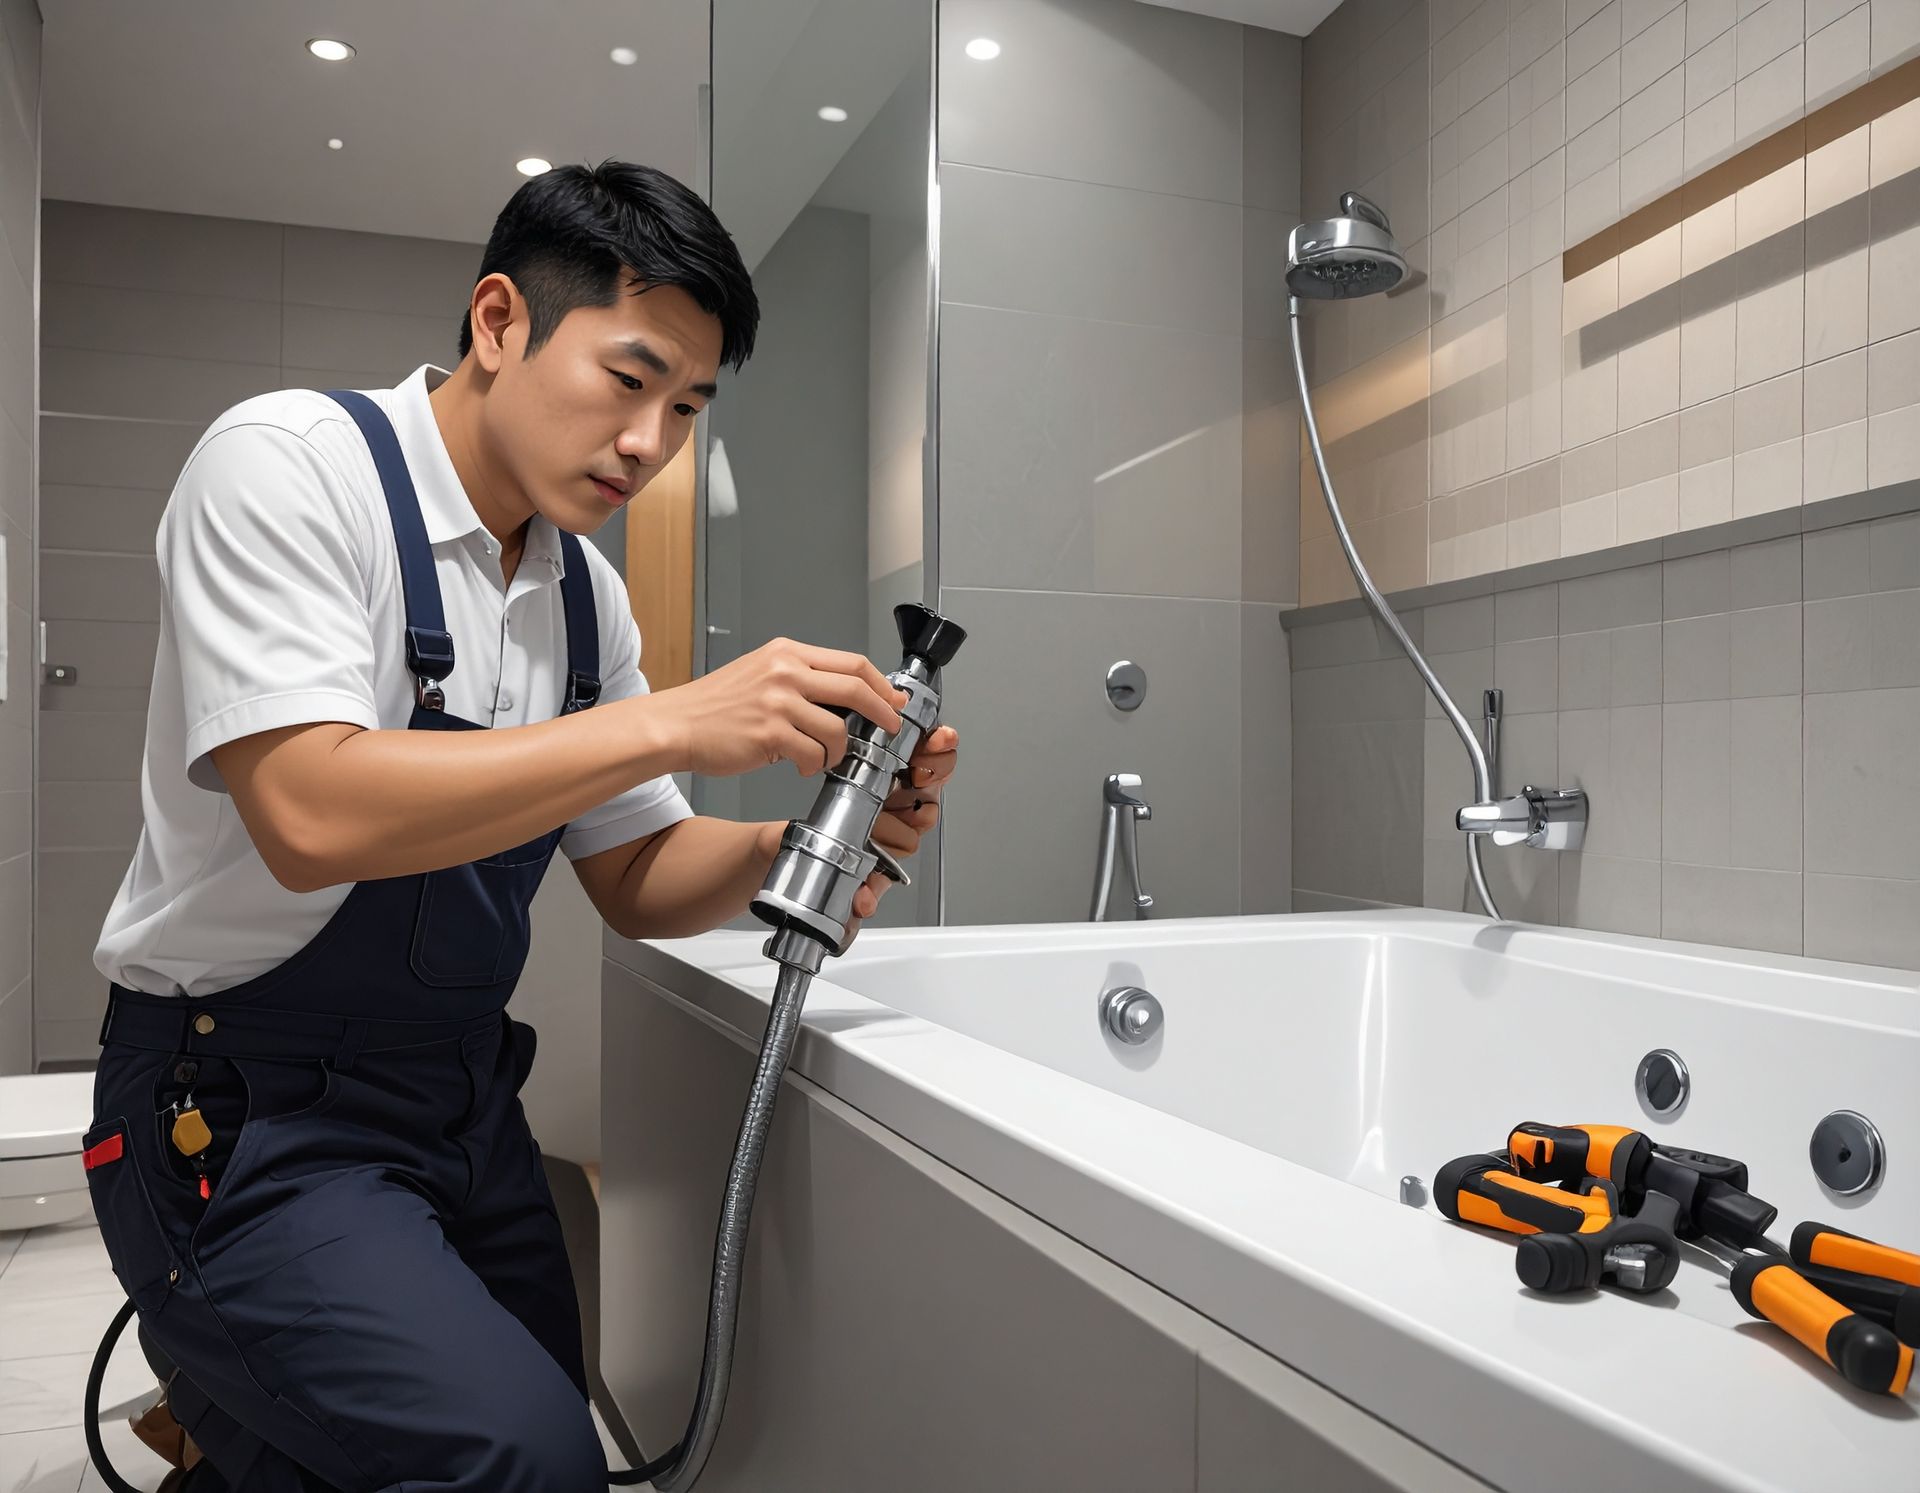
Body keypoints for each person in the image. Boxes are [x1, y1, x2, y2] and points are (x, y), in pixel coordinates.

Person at [81, 158, 958, 1491]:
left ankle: (245, 1420)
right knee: (519, 1455)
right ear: (500, 322)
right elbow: (309, 808)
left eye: (687, 406)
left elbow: (640, 871)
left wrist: (824, 842)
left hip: (460, 1102)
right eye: (630, 378)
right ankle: (230, 1393)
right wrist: (671, 720)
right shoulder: (286, 470)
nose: (652, 442)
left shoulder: (584, 597)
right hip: (239, 1106)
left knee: (554, 1419)